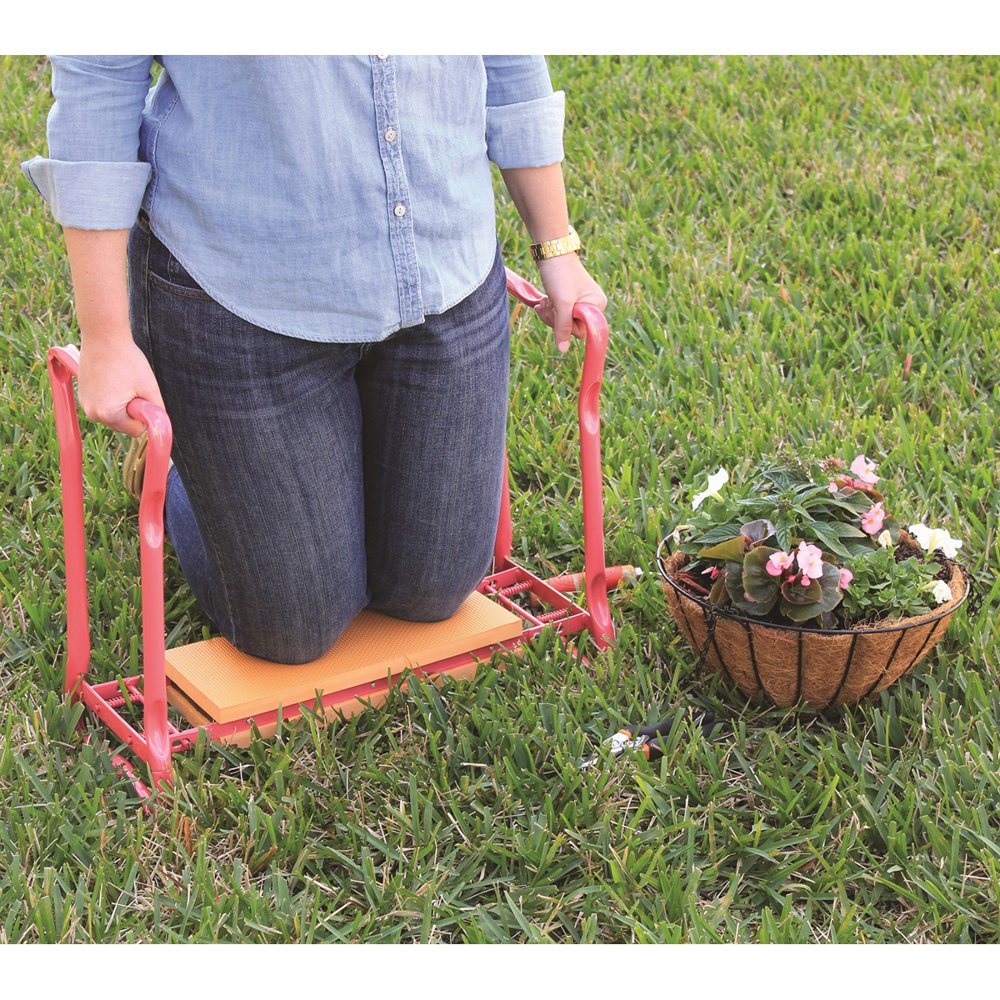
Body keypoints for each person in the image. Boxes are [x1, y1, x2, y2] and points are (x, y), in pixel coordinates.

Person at [23, 55, 608, 664]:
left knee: (432, 592)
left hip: (442, 265)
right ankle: (187, 470)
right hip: (238, 289)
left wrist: (556, 243)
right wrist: (106, 334)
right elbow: (99, 81)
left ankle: (261, 464)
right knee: (292, 628)